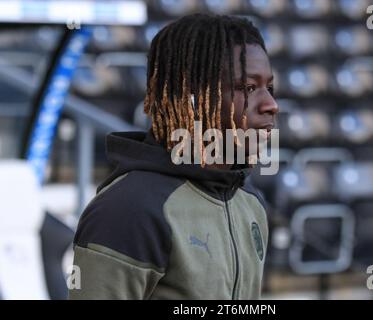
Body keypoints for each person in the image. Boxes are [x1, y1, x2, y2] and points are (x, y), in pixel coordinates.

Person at [68, 13, 279, 300]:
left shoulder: (249, 200)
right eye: (247, 88)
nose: (271, 104)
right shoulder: (128, 209)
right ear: (191, 98)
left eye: (270, 87)